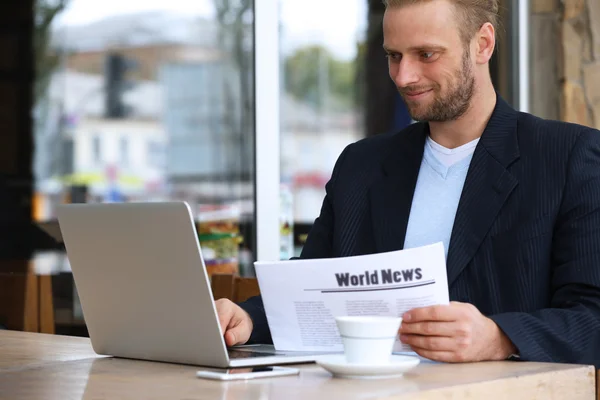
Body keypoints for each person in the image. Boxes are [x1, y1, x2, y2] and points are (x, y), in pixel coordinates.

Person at [215, 0, 600, 367]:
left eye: (426, 55)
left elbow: (592, 318)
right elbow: (313, 289)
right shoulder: (360, 166)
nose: (404, 76)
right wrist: (247, 320)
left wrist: (500, 337)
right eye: (393, 56)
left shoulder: (567, 158)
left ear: (482, 44)